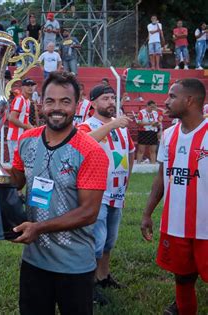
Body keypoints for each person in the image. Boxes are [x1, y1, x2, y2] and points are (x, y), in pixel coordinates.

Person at [7, 71, 109, 315]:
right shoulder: (27, 140)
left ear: (77, 104)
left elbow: (88, 213)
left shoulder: (90, 151)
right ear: (41, 103)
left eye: (65, 101)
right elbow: (16, 182)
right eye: (50, 101)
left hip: (74, 265)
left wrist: (38, 228)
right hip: (34, 261)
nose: (57, 108)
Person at [141, 78, 208, 315]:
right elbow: (162, 176)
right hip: (176, 225)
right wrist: (148, 213)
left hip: (206, 228)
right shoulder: (168, 135)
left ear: (189, 100)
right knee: (183, 278)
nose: (166, 101)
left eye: (172, 96)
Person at [78, 85, 135, 303]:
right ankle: (86, 284)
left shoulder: (121, 128)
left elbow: (129, 153)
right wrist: (112, 125)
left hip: (117, 192)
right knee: (96, 241)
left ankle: (103, 276)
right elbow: (83, 143)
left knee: (110, 241)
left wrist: (126, 184)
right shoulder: (85, 125)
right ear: (92, 103)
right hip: (95, 194)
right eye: (105, 98)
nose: (111, 102)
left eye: (113, 98)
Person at [7, 79, 35, 163]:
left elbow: (25, 120)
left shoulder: (27, 101)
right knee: (15, 164)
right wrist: (27, 127)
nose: (30, 87)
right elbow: (12, 118)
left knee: (22, 163)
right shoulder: (19, 99)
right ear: (22, 87)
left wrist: (33, 129)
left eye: (32, 85)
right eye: (28, 85)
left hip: (21, 137)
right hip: (14, 137)